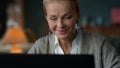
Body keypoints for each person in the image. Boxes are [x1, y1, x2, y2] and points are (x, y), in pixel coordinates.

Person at [27, 0, 120, 68]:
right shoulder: (39, 47)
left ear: (77, 13)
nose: (60, 25)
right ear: (46, 18)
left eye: (67, 17)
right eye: (53, 18)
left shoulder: (100, 46)